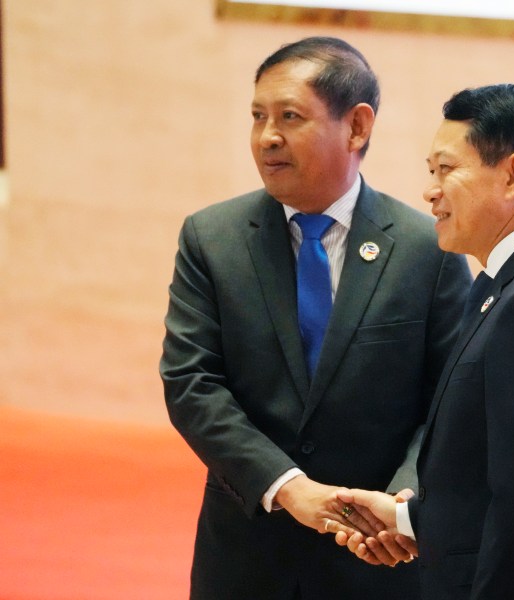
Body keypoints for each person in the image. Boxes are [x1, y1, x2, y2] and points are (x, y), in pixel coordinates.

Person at [159, 37, 471, 599]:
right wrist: (289, 488)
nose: (267, 136)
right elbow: (191, 383)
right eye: (257, 117)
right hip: (249, 553)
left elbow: (451, 399)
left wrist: (403, 502)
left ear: (356, 127)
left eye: (290, 117)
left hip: (380, 558)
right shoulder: (212, 238)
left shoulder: (430, 249)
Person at [335, 84, 514, 599]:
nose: (431, 191)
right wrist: (410, 519)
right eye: (432, 171)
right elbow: (493, 474)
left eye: (447, 170)